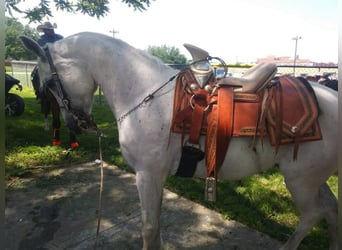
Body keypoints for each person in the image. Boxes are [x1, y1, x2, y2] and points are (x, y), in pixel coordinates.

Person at [32, 22, 63, 103]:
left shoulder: (60, 37)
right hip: (46, 63)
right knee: (34, 76)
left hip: (60, 61)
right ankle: (39, 95)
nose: (49, 31)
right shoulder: (41, 40)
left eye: (50, 29)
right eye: (46, 30)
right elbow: (40, 52)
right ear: (44, 30)